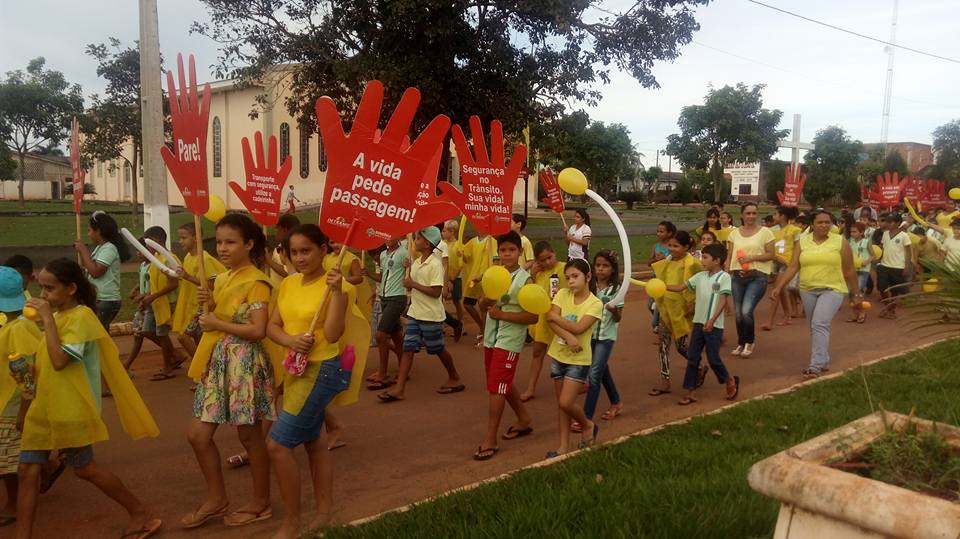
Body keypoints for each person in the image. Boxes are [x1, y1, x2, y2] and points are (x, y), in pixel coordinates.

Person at [18, 259, 160, 539]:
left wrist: (46, 318)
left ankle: (140, 512)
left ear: (71, 288)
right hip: (44, 406)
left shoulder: (81, 318)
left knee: (84, 469)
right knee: (26, 470)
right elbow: (47, 359)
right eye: (41, 288)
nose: (43, 295)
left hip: (71, 407)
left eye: (50, 288)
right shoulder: (58, 316)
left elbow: (60, 362)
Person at [265, 224, 370, 538]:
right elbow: (272, 326)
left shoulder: (339, 287)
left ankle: (291, 522)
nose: (299, 258)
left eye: (306, 250)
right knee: (315, 442)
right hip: (295, 368)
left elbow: (335, 333)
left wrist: (337, 291)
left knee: (277, 445)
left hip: (323, 368)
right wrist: (291, 339)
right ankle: (324, 512)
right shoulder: (289, 284)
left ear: (325, 250)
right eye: (293, 252)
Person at [182, 214, 276, 529]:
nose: (222, 248)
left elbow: (258, 329)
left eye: (230, 242)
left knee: (250, 437)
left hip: (245, 363)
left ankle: (261, 502)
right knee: (197, 435)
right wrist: (211, 304)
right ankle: (217, 498)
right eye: (219, 241)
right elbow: (221, 319)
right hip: (219, 361)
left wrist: (217, 321)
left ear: (249, 244)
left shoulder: (257, 282)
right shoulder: (222, 278)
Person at [771, 210, 862, 378]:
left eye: (828, 222)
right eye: (820, 222)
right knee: (814, 327)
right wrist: (779, 287)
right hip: (808, 289)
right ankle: (823, 359)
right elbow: (793, 267)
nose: (824, 225)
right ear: (812, 225)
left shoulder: (840, 242)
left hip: (833, 289)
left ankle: (815, 366)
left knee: (819, 324)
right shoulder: (803, 242)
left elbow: (849, 270)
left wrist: (856, 294)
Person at [378, 227, 463, 402]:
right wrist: (408, 277)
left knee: (438, 349)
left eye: (417, 238)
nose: (413, 241)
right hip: (415, 313)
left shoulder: (434, 264)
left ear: (427, 243)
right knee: (408, 349)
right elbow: (410, 286)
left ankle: (454, 376)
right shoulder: (416, 263)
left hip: (431, 315)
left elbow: (435, 292)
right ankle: (399, 388)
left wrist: (412, 284)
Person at [474, 231, 537, 461]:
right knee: (500, 382)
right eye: (503, 250)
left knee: (496, 387)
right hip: (491, 337)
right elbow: (482, 305)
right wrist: (486, 301)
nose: (507, 254)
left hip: (510, 340)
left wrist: (502, 315)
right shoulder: (493, 275)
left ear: (520, 252)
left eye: (512, 250)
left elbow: (533, 317)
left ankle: (490, 438)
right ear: (498, 253)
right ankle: (524, 419)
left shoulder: (526, 280)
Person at [668, 243, 740, 405]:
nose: (702, 260)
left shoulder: (724, 277)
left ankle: (729, 380)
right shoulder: (700, 276)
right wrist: (661, 286)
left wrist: (712, 320)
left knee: (713, 358)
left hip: (713, 325)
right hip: (698, 324)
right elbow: (680, 287)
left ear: (717, 261)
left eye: (705, 257)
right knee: (693, 358)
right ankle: (690, 391)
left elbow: (723, 300)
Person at [544, 259, 601, 458]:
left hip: (578, 360)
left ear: (588, 276)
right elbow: (550, 320)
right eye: (568, 278)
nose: (571, 282)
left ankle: (587, 425)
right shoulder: (562, 294)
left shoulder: (595, 303)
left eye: (575, 276)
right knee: (560, 405)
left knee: (566, 403)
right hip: (558, 355)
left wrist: (555, 318)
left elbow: (579, 327)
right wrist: (568, 336)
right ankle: (563, 447)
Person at [0, 268, 43, 527]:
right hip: (6, 400)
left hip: (12, 404)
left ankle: (14, 503)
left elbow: (26, 376)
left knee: (9, 462)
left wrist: (24, 412)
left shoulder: (18, 329)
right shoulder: (11, 324)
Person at [649, 231, 701, 396]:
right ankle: (665, 381)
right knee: (663, 346)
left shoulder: (692, 264)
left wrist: (693, 304)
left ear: (686, 247)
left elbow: (701, 283)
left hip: (682, 311)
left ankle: (697, 367)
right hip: (665, 309)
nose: (671, 249)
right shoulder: (667, 261)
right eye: (670, 245)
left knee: (681, 347)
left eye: (675, 246)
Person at [724, 203, 775, 357]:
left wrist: (752, 257)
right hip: (737, 276)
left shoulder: (766, 232)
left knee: (746, 310)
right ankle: (741, 342)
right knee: (738, 313)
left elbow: (771, 254)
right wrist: (725, 275)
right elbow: (729, 255)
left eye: (754, 213)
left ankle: (750, 341)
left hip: (757, 276)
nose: (751, 216)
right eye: (748, 213)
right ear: (742, 215)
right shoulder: (734, 234)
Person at [519, 241, 567, 402]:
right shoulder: (538, 273)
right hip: (542, 320)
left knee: (562, 354)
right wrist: (532, 275)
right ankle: (530, 388)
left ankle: (573, 383)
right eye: (542, 260)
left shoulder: (564, 269)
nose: (547, 262)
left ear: (554, 253)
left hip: (561, 318)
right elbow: (530, 293)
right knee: (537, 352)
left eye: (549, 258)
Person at [581, 250, 624, 424]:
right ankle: (616, 402)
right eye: (598, 265)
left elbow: (618, 317)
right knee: (602, 370)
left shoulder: (617, 289)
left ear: (612, 269)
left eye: (605, 266)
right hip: (589, 335)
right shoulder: (589, 286)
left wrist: (614, 310)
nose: (600, 269)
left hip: (606, 337)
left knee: (595, 375)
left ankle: (586, 418)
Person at [172, 222, 227, 357]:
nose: (180, 241)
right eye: (180, 238)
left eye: (184, 238)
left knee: (183, 337)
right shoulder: (187, 257)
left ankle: (201, 367)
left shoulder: (205, 259)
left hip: (202, 305)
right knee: (199, 339)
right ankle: (205, 365)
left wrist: (188, 277)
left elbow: (213, 284)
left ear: (196, 238)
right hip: (191, 304)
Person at [140, 226, 185, 381]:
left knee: (162, 334)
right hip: (155, 302)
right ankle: (175, 355)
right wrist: (146, 296)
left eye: (147, 244)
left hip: (166, 302)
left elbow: (174, 284)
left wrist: (152, 297)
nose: (146, 248)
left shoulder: (168, 259)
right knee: (146, 331)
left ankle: (168, 367)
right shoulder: (156, 259)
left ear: (157, 241)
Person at [74, 211, 131, 329]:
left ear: (98, 231)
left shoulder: (109, 248)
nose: (88, 234)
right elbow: (91, 269)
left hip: (106, 299)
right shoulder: (101, 248)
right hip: (100, 298)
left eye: (90, 230)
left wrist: (84, 251)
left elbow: (96, 272)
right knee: (99, 333)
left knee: (97, 332)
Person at [365, 236, 407, 389]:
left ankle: (382, 373)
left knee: (381, 335)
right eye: (386, 236)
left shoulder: (405, 252)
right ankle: (404, 368)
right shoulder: (383, 255)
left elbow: (414, 268)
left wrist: (409, 265)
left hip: (397, 297)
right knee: (396, 334)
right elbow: (383, 277)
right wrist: (369, 274)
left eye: (392, 236)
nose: (389, 239)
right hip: (384, 297)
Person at [763, 206, 801, 330]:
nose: (773, 217)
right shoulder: (771, 230)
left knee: (776, 289)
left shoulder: (795, 230)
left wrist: (793, 263)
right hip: (774, 262)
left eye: (775, 214)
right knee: (782, 290)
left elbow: (797, 248)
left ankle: (769, 321)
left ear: (782, 216)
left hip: (786, 263)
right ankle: (787, 316)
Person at [876, 213, 916, 320]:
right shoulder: (885, 234)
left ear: (898, 223)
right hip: (884, 265)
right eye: (886, 222)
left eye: (890, 222)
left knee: (895, 291)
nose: (887, 224)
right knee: (881, 287)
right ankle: (888, 307)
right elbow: (883, 248)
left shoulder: (904, 236)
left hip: (898, 267)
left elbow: (908, 252)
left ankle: (891, 310)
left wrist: (907, 266)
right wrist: (878, 258)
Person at [460, 233, 496, 341]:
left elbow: (494, 260)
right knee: (467, 304)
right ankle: (482, 326)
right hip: (473, 278)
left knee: (483, 306)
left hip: (486, 278)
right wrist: (462, 254)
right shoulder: (473, 241)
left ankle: (486, 332)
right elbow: (467, 258)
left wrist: (484, 274)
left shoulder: (492, 241)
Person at [647, 221, 676, 341]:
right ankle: (661, 322)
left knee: (660, 305)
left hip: (667, 280)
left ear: (669, 233)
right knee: (650, 305)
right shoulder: (655, 246)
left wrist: (665, 258)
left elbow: (675, 263)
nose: (658, 233)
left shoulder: (673, 246)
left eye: (662, 231)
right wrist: (655, 259)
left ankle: (659, 326)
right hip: (655, 279)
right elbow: (649, 263)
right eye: (658, 231)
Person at [441, 220, 465, 335]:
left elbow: (460, 265)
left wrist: (452, 280)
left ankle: (460, 324)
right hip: (444, 277)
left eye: (444, 231)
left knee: (456, 301)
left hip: (456, 278)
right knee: (441, 301)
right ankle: (444, 324)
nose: (442, 233)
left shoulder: (458, 245)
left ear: (452, 231)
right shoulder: (443, 243)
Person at [846, 223, 873, 323]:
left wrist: (867, 261)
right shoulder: (849, 242)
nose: (852, 233)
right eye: (851, 231)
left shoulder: (866, 242)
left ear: (861, 232)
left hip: (863, 270)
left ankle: (861, 312)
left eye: (854, 231)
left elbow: (873, 255)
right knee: (850, 292)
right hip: (852, 269)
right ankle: (854, 313)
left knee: (859, 291)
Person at [266, 214, 301, 285]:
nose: (275, 231)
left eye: (277, 228)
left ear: (284, 230)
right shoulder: (279, 247)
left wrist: (268, 260)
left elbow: (287, 273)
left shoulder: (295, 249)